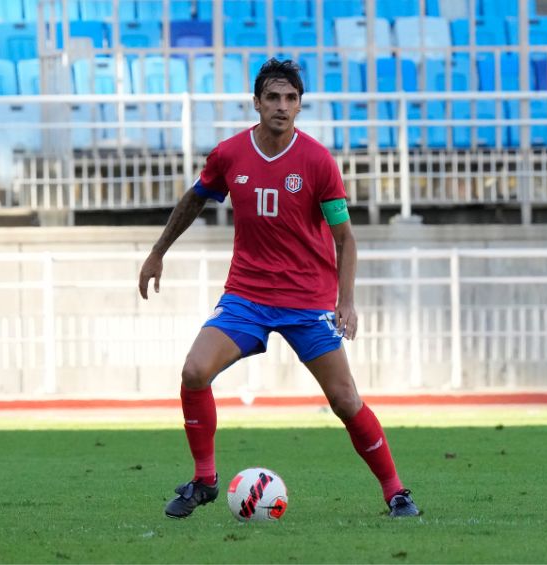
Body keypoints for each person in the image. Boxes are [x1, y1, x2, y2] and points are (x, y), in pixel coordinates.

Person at [137, 58, 420, 519]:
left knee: (346, 400)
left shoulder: (317, 162)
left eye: (291, 99)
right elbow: (195, 198)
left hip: (308, 303)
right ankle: (204, 479)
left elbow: (345, 238)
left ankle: (396, 492)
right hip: (246, 297)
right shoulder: (230, 154)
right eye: (273, 97)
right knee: (193, 371)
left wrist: (345, 301)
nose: (282, 107)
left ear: (300, 106)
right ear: (257, 102)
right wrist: (157, 252)